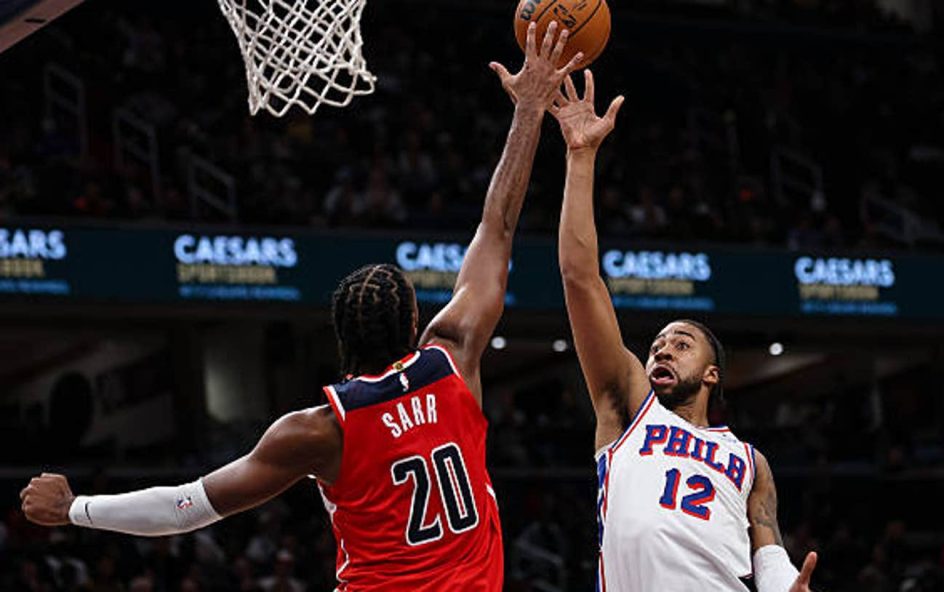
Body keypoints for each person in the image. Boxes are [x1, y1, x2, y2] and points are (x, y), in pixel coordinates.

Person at [19, 21, 583, 592]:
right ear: (415, 324)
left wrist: (74, 508)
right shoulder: (453, 360)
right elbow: (497, 225)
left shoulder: (319, 432)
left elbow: (188, 507)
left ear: (341, 338)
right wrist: (529, 108)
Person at [550, 69, 818, 591]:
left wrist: (787, 585)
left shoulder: (748, 460)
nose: (662, 350)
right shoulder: (628, 407)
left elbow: (767, 549)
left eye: (681, 342)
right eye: (656, 345)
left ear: (713, 373)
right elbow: (580, 279)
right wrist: (580, 158)